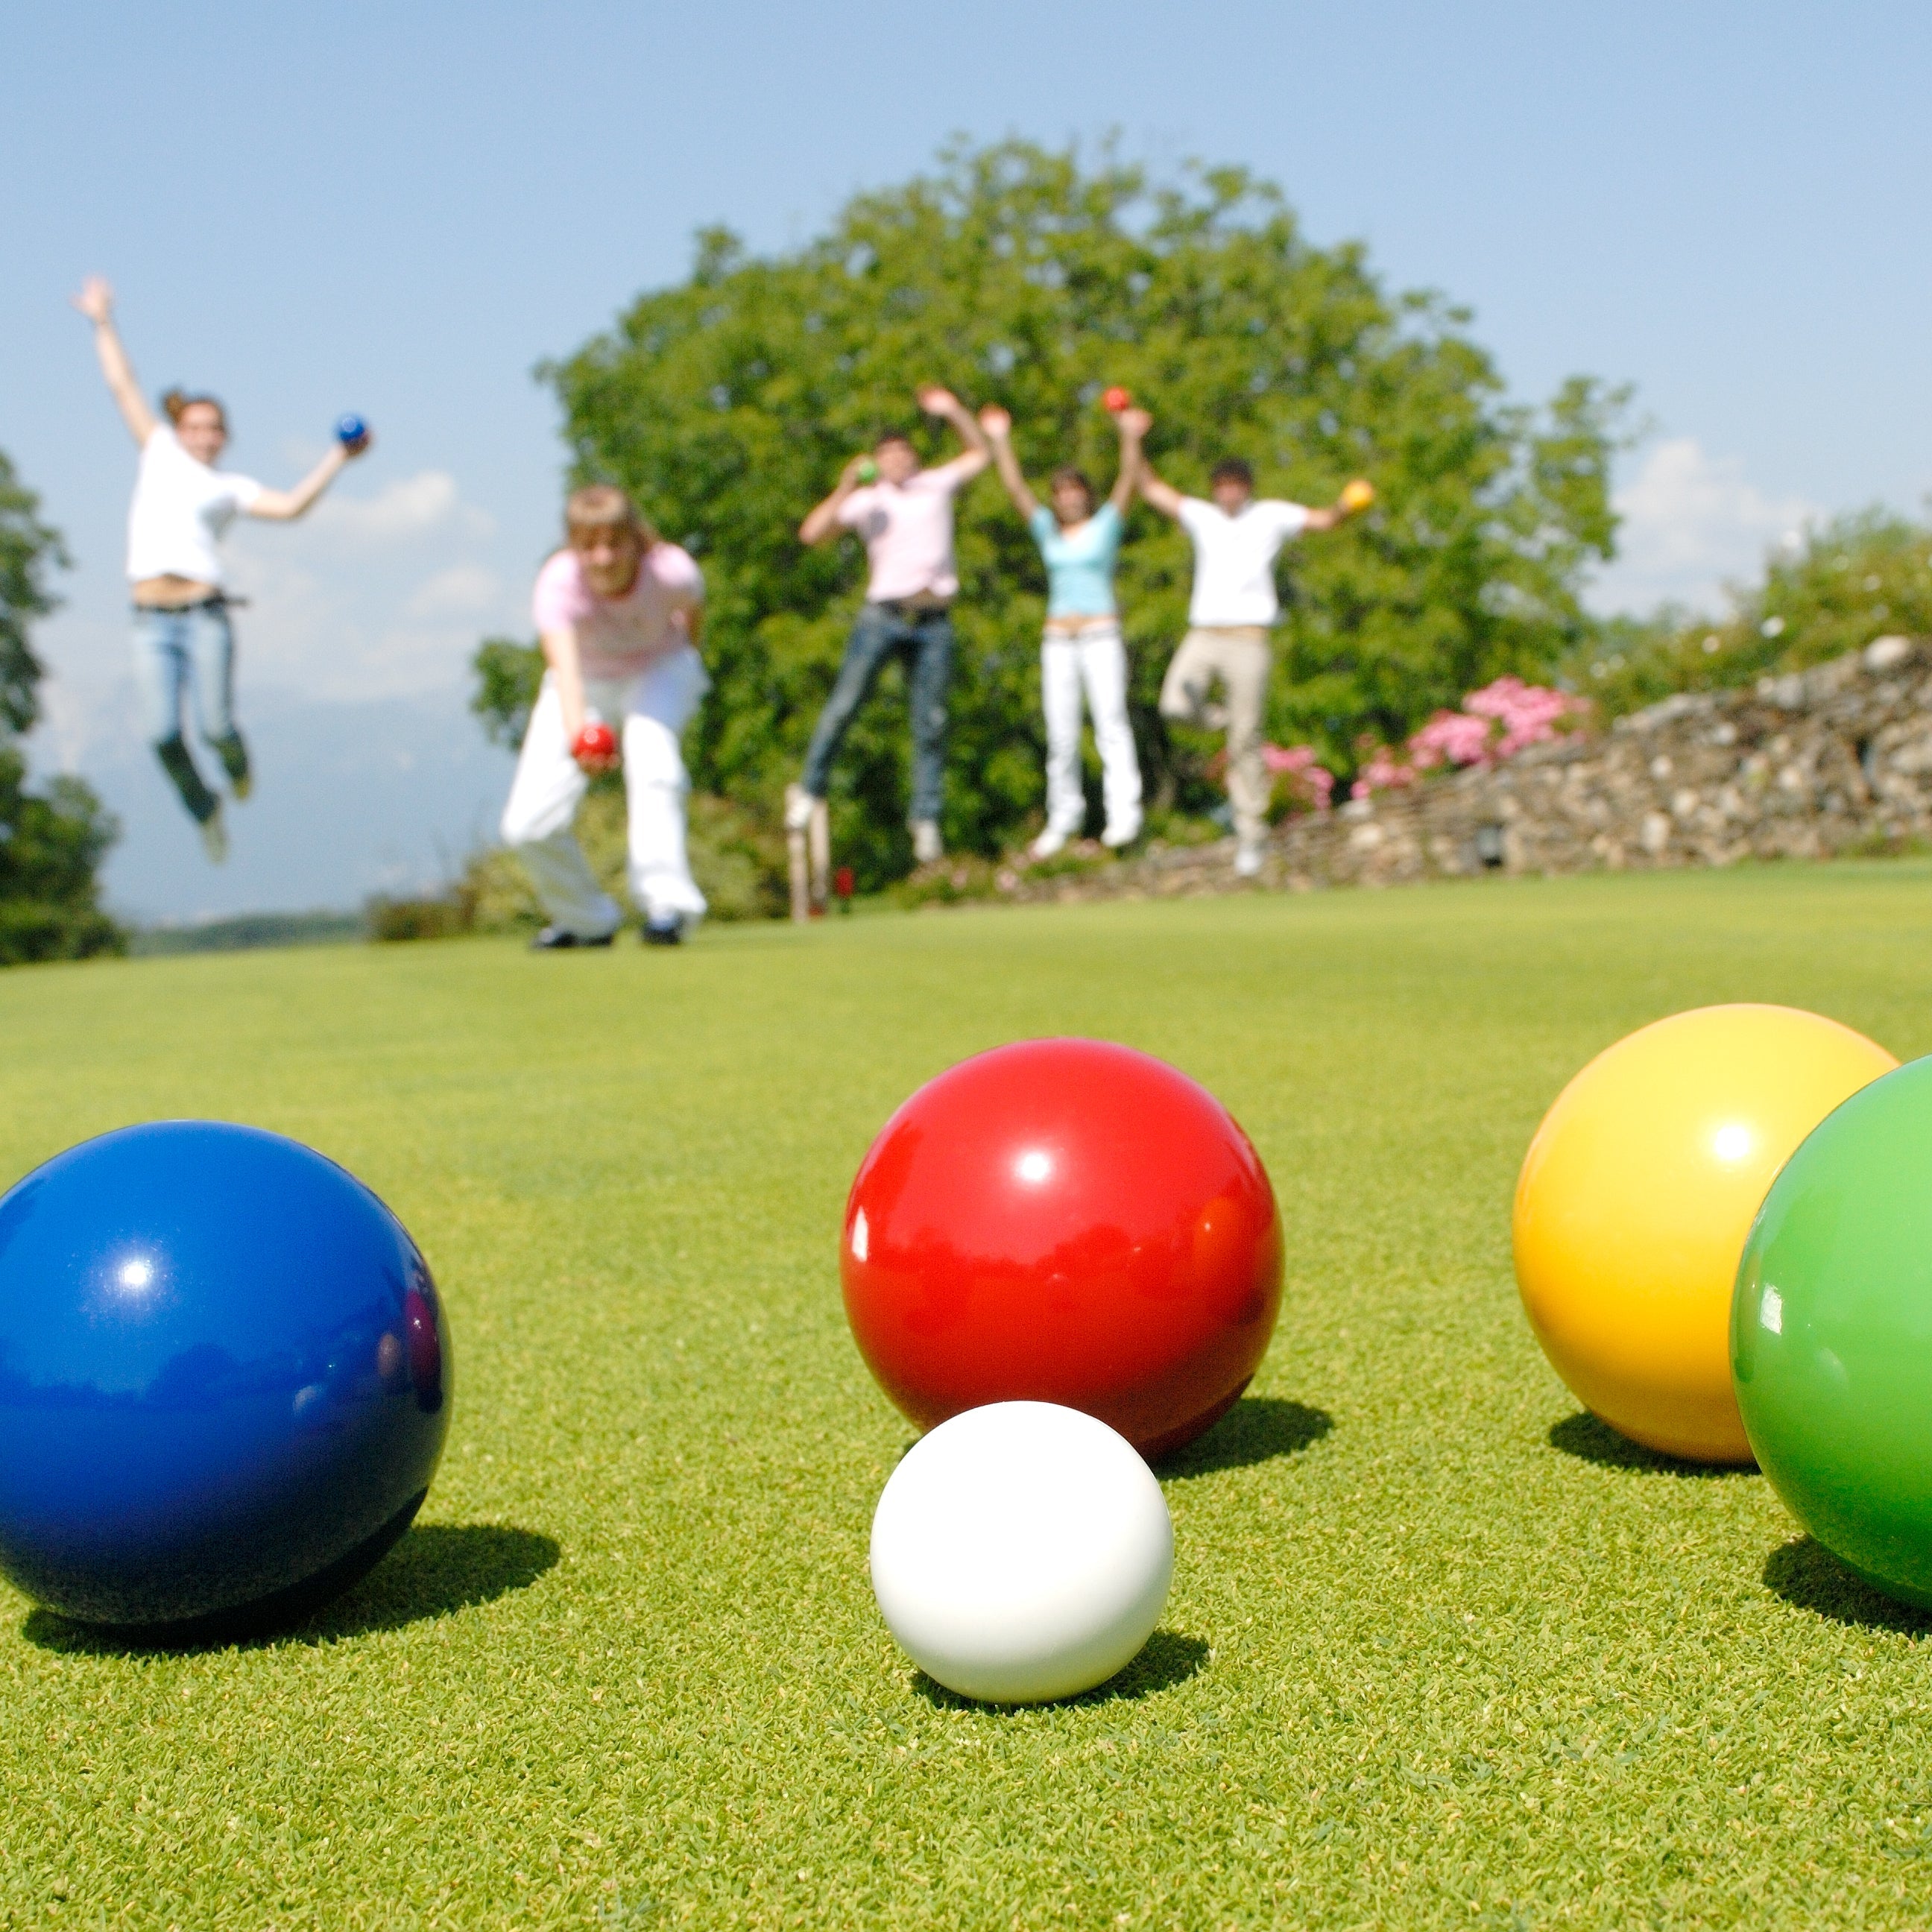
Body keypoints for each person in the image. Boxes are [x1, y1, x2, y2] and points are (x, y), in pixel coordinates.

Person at [72, 277, 370, 862]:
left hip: (206, 614)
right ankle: (205, 810)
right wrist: (102, 321)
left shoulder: (231, 488)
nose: (204, 436)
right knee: (161, 735)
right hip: (149, 619)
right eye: (195, 427)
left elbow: (291, 508)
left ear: (225, 437)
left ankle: (237, 769)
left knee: (215, 728)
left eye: (214, 429)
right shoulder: (156, 452)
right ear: (179, 430)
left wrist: (338, 457)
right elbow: (121, 385)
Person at [786, 387, 991, 897]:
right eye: (888, 454)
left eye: (904, 451)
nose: (898, 459)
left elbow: (982, 453)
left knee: (931, 723)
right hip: (882, 617)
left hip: (934, 620)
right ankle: (810, 791)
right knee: (844, 706)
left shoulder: (935, 485)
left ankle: (926, 820)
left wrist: (953, 412)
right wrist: (844, 485)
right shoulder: (867, 501)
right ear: (877, 462)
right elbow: (812, 534)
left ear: (914, 458)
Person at [1138, 455, 1369, 876]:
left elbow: (1325, 521)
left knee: (1246, 741)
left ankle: (1251, 835)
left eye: (1236, 484)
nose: (1229, 492)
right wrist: (1129, 436)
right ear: (1214, 489)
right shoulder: (1202, 517)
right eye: (1222, 485)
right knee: (1174, 705)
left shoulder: (1270, 515)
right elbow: (1149, 487)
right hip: (1205, 634)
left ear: (1247, 487)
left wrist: (1345, 507)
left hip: (1249, 639)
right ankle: (1223, 719)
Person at [499, 484, 709, 948]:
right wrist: (581, 735)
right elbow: (565, 669)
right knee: (526, 824)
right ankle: (586, 920)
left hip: (657, 671)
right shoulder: (557, 583)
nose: (603, 558)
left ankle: (667, 907)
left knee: (653, 763)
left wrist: (687, 670)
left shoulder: (672, 571)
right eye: (588, 546)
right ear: (573, 547)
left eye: (615, 543)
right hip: (584, 682)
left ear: (637, 540)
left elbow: (693, 617)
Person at [979, 401, 1150, 856]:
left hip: (1101, 635)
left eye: (1076, 490)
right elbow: (1014, 487)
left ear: (1085, 495)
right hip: (1058, 639)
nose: (1069, 497)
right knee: (1061, 734)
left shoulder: (1105, 527)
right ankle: (1063, 817)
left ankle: (1124, 815)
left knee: (1111, 724)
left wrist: (1129, 434)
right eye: (1062, 492)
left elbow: (1129, 480)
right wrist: (1000, 440)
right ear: (1055, 499)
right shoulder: (1047, 532)